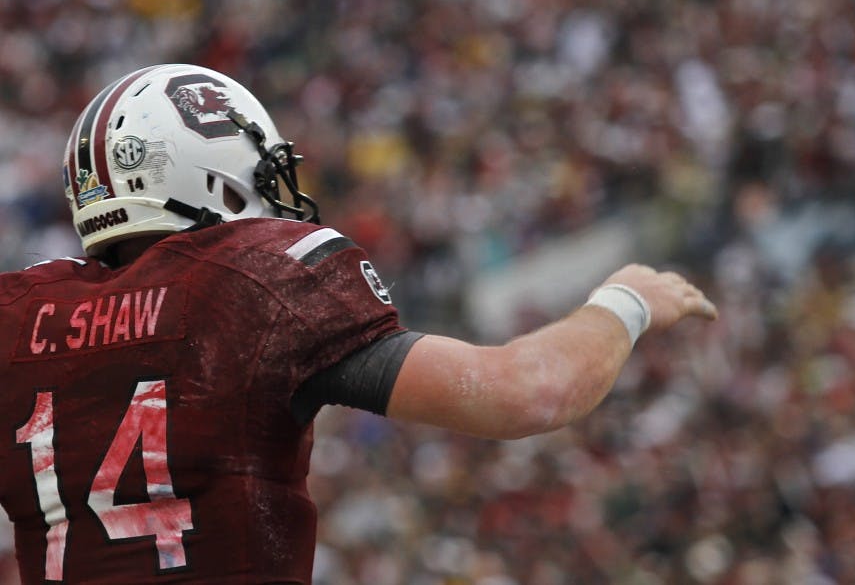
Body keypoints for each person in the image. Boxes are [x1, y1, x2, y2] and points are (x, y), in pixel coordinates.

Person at [0, 64, 716, 584]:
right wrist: (626, 300)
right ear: (214, 174)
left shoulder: (18, 313)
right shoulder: (255, 279)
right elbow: (528, 393)